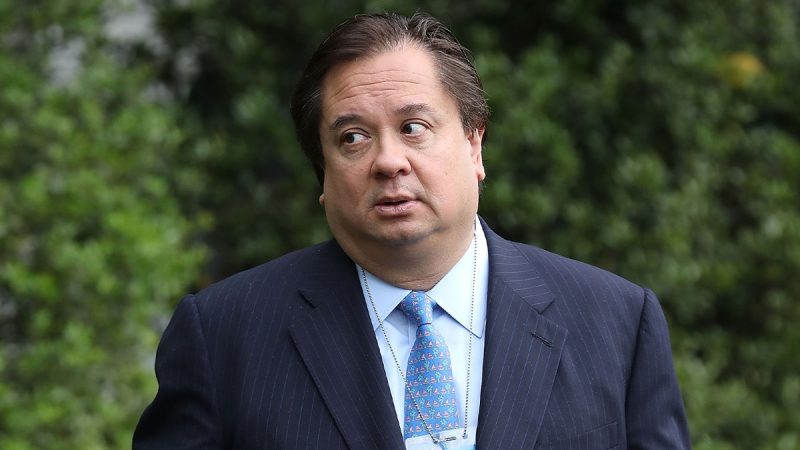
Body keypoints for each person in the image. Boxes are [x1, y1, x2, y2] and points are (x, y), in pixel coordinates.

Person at [133, 12, 691, 450]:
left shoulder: (616, 321)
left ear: (474, 144)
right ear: (323, 174)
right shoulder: (223, 337)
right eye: (353, 138)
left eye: (414, 127)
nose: (388, 161)